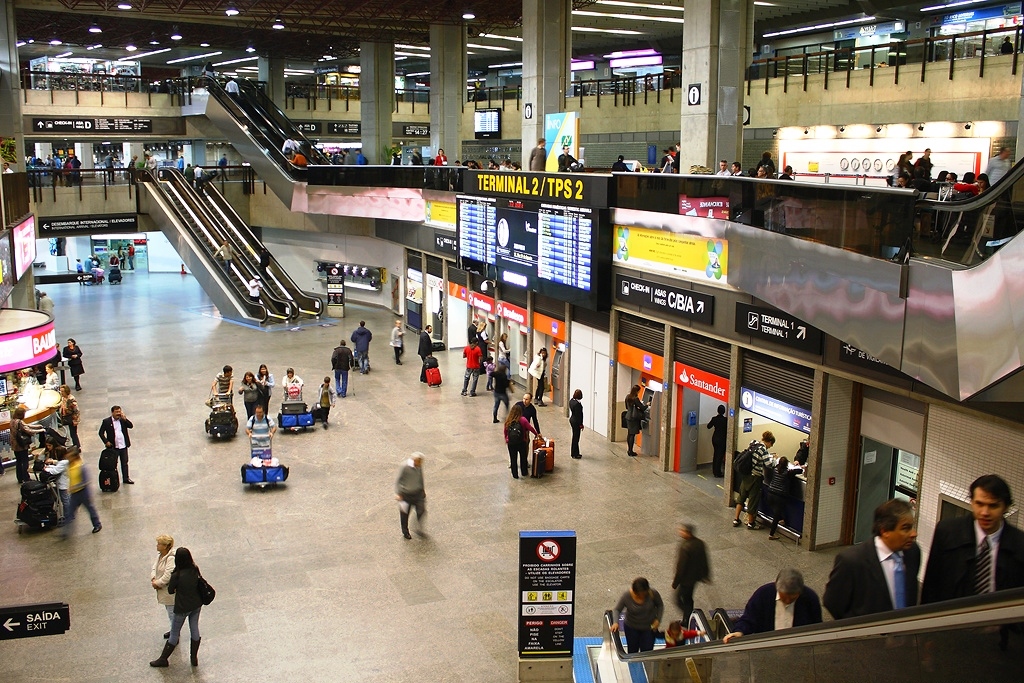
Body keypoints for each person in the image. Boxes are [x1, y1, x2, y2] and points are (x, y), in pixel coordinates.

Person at [921, 474, 1024, 603]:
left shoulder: (1019, 545)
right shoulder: (947, 532)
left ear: (1006, 507)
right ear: (971, 502)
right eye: (979, 504)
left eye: (993, 506)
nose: (985, 512)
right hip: (952, 618)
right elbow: (931, 585)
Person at [822, 499, 921, 620]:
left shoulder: (913, 552)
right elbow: (832, 602)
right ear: (885, 531)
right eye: (906, 528)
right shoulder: (852, 560)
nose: (913, 534)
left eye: (912, 527)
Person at [722, 568, 822, 643]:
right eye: (784, 598)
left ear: (800, 592)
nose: (787, 601)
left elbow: (817, 626)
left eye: (792, 599)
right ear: (777, 589)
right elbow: (749, 619)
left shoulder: (810, 598)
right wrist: (739, 631)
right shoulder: (763, 594)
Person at [150, 546, 204, 668]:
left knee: (174, 632)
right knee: (194, 628)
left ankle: (163, 659)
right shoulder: (194, 569)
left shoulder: (177, 574)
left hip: (182, 607)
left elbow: (170, 590)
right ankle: (193, 658)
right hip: (196, 604)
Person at [732, 431, 775, 529]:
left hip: (746, 475)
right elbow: (768, 464)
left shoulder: (753, 443)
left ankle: (736, 519)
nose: (770, 447)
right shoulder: (763, 449)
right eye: (771, 445)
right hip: (755, 478)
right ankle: (751, 523)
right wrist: (774, 460)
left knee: (741, 497)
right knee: (753, 500)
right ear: (769, 442)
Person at [611, 577, 664, 653]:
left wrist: (658, 620)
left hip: (649, 628)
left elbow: (660, 605)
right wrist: (615, 622)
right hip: (631, 628)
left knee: (647, 652)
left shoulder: (653, 593)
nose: (642, 597)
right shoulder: (627, 596)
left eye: (644, 594)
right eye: (639, 595)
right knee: (632, 651)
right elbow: (617, 610)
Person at [671, 523, 710, 622]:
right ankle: (686, 619)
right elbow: (704, 560)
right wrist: (705, 574)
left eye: (683, 531)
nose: (680, 532)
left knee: (678, 599)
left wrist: (675, 582)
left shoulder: (685, 547)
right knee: (688, 598)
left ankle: (689, 615)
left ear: (688, 533)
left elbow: (681, 567)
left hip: (685, 579)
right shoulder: (700, 543)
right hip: (695, 577)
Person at [59, 448, 102, 535]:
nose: (67, 457)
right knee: (70, 511)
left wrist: (74, 487)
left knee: (90, 509)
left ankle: (97, 524)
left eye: (70, 456)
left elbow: (85, 481)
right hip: (74, 494)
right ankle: (66, 531)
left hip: (83, 493)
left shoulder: (81, 467)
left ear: (75, 457)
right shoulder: (68, 465)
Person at [765, 457, 804, 540]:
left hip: (770, 493)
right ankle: (771, 534)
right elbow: (799, 471)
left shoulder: (775, 469)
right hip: (779, 495)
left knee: (775, 511)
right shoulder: (788, 472)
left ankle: (781, 519)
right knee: (776, 515)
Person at [99, 405, 135, 485]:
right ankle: (114, 479)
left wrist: (125, 419)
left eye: (119, 412)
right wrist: (106, 441)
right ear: (112, 413)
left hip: (123, 445)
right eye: (116, 412)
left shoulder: (122, 420)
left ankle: (126, 478)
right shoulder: (106, 421)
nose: (118, 414)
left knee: (125, 463)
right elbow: (101, 433)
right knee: (113, 464)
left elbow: (131, 426)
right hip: (113, 447)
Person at [504, 403, 540, 479]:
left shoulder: (508, 420)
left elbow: (505, 431)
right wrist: (537, 434)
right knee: (523, 457)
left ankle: (515, 475)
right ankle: (524, 472)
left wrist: (507, 440)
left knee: (513, 459)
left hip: (511, 443)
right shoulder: (523, 420)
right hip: (522, 442)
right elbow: (530, 428)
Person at [395, 452, 426, 540]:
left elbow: (420, 477)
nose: (420, 465)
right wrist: (399, 493)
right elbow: (398, 480)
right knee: (405, 514)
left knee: (421, 510)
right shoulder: (405, 467)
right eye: (418, 462)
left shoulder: (419, 467)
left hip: (417, 493)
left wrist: (422, 488)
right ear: (414, 460)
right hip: (406, 494)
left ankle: (417, 526)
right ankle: (405, 531)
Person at [152, 535, 176, 638]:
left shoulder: (171, 558)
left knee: (172, 613)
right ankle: (173, 630)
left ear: (166, 546)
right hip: (162, 590)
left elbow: (168, 576)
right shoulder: (160, 556)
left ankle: (174, 634)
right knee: (169, 611)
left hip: (168, 592)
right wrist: (153, 578)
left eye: (159, 544)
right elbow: (154, 567)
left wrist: (157, 583)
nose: (157, 545)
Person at [11, 407, 44, 483]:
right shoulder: (19, 422)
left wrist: (37, 426)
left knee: (18, 461)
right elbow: (28, 430)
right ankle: (26, 478)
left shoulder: (12, 421)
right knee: (25, 461)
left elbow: (26, 426)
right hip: (21, 445)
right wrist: (40, 430)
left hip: (15, 445)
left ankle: (20, 478)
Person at [624, 384, 647, 458]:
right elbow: (643, 408)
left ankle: (629, 450)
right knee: (632, 435)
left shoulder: (628, 396)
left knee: (629, 434)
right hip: (633, 418)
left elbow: (627, 407)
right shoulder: (635, 398)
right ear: (637, 391)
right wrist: (647, 404)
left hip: (628, 417)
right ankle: (631, 451)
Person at [707, 405, 727, 477]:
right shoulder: (725, 420)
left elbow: (708, 426)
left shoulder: (714, 419)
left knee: (715, 454)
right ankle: (718, 472)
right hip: (722, 439)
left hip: (715, 438)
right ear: (724, 411)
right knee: (720, 456)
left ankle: (714, 470)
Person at [568, 389, 584, 459]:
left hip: (572, 419)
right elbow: (579, 416)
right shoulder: (578, 404)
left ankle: (576, 452)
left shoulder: (571, 401)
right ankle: (574, 453)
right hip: (576, 422)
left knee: (575, 437)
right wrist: (581, 424)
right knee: (576, 438)